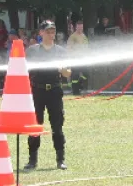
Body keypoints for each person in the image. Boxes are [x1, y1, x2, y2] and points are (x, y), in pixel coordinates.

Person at [24, 20, 71, 170]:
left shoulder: (61, 52)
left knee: (57, 126)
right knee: (35, 126)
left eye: (53, 31)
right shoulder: (32, 51)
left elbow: (68, 73)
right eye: (48, 31)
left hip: (55, 91)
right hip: (37, 91)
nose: (51, 34)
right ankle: (32, 160)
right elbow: (24, 69)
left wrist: (62, 69)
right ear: (41, 33)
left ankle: (60, 159)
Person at [66, 21, 89, 95]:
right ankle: (75, 91)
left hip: (83, 59)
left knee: (86, 74)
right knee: (75, 76)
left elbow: (86, 46)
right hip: (75, 60)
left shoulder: (84, 36)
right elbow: (69, 48)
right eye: (79, 27)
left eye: (81, 27)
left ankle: (80, 85)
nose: (80, 28)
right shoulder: (72, 37)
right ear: (76, 27)